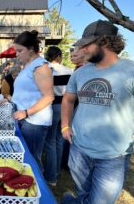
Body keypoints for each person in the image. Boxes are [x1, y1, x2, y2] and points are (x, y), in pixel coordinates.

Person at [61, 20, 134, 204]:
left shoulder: (131, 70)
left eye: (86, 45)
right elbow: (68, 99)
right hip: (79, 148)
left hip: (113, 156)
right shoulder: (80, 73)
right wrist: (64, 126)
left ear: (104, 42)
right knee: (84, 194)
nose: (81, 49)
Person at [11, 30, 54, 173]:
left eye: (19, 51)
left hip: (34, 121)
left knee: (32, 158)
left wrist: (26, 112)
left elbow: (49, 96)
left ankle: (39, 189)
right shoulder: (28, 65)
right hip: (26, 118)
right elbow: (25, 93)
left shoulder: (41, 66)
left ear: (30, 49)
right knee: (26, 156)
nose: (17, 55)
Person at [43, 46, 73, 186]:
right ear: (59, 56)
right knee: (60, 140)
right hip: (66, 107)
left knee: (50, 142)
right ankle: (56, 172)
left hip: (52, 106)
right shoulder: (69, 70)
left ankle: (51, 176)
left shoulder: (45, 70)